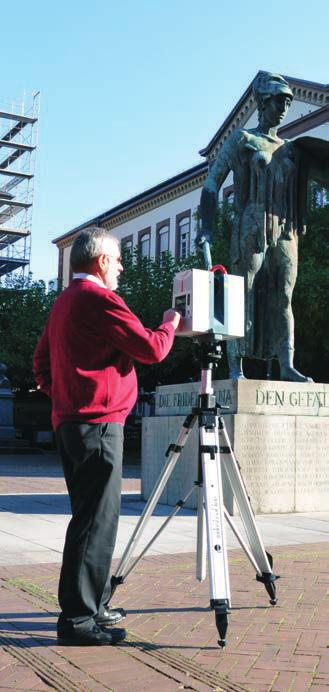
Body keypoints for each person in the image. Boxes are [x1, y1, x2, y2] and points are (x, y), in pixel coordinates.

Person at [33, 227, 181, 646]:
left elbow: (41, 362)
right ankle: (79, 620)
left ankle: (91, 605)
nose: (120, 267)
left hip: (73, 422)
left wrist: (64, 395)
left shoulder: (63, 302)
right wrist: (170, 324)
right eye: (117, 260)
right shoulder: (98, 300)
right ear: (100, 261)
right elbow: (151, 348)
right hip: (97, 424)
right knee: (96, 522)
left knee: (90, 519)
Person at [199, 71, 329, 381]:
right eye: (278, 100)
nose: (284, 107)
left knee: (284, 295)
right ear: (263, 102)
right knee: (241, 293)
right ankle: (235, 367)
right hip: (251, 225)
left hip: (285, 229)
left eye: (288, 101)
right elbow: (210, 185)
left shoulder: (291, 148)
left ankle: (286, 365)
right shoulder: (242, 139)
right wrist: (205, 230)